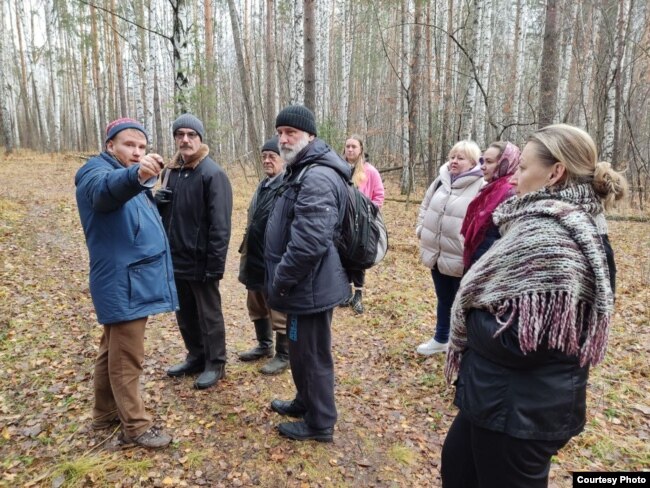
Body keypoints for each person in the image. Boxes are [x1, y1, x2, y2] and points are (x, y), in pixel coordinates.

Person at [441, 124, 627, 488]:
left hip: (520, 410)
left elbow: (524, 339)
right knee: (458, 469)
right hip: (500, 397)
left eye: (523, 168)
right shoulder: (557, 222)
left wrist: (469, 313)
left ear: (555, 172)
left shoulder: (552, 236)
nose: (513, 179)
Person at [75, 118, 178, 448]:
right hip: (123, 283)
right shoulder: (94, 172)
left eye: (142, 147)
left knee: (112, 351)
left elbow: (124, 208)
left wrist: (150, 198)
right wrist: (138, 174)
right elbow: (106, 193)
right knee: (126, 357)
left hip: (131, 281)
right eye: (129, 145)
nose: (136, 152)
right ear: (110, 146)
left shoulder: (128, 178)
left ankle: (104, 412)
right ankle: (135, 426)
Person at [265, 105, 350, 442]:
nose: (284, 139)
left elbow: (309, 242)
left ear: (310, 136)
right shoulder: (301, 169)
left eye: (292, 133)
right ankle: (306, 401)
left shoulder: (316, 175)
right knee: (300, 350)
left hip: (309, 285)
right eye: (280, 132)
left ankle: (320, 423)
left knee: (312, 355)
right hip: (303, 285)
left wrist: (281, 280)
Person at [156, 114, 233, 390]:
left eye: (191, 135)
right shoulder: (170, 173)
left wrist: (215, 265)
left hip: (202, 261)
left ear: (200, 138)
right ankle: (196, 356)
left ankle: (216, 362)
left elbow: (221, 225)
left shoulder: (213, 174)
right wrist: (158, 203)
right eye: (180, 135)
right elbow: (167, 217)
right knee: (185, 313)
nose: (185, 140)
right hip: (176, 258)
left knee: (209, 314)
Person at [415, 141, 484, 356]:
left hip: (461, 257)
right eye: (452, 156)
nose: (454, 161)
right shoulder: (440, 180)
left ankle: (464, 346)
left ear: (473, 162)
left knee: (463, 303)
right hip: (437, 252)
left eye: (460, 158)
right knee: (443, 298)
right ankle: (441, 338)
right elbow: (425, 205)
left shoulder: (481, 185)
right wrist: (421, 229)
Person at [237, 136, 289, 375]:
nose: (267, 161)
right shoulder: (263, 185)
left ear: (283, 160)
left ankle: (284, 354)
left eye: (272, 157)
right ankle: (264, 345)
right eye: (264, 157)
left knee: (278, 307)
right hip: (254, 255)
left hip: (274, 259)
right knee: (256, 303)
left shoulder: (286, 186)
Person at [339, 134, 385, 314]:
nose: (350, 149)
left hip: (362, 223)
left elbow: (379, 196)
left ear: (360, 150)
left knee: (359, 255)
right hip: (342, 222)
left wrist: (368, 212)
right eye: (348, 146)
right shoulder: (339, 169)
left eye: (354, 147)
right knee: (343, 254)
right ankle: (346, 292)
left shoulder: (369, 171)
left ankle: (358, 294)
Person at [461, 141, 521, 270]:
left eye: (489, 162)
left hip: (491, 268)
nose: (482, 167)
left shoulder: (511, 193)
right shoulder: (490, 189)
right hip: (478, 262)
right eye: (482, 161)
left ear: (506, 163)